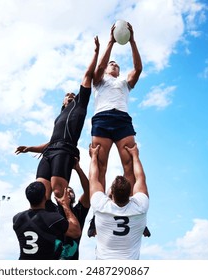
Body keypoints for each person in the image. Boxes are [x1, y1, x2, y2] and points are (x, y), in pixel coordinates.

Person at [15, 36, 100, 206]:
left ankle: (64, 223)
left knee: (58, 192)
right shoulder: (59, 117)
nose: (70, 95)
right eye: (66, 95)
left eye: (72, 94)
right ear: (62, 102)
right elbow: (52, 141)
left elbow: (87, 75)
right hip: (49, 152)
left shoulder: (80, 104)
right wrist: (29, 148)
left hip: (65, 150)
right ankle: (42, 225)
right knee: (41, 192)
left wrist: (96, 52)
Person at [91, 22, 142, 188]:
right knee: (100, 166)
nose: (114, 64)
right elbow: (99, 66)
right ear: (106, 69)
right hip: (102, 119)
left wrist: (132, 41)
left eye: (116, 64)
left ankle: (131, 208)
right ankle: (99, 210)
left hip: (122, 120)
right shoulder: (99, 80)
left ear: (119, 71)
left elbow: (138, 68)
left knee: (129, 165)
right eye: (110, 63)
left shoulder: (124, 81)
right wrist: (111, 41)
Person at [89, 143, 149, 259]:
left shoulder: (101, 206)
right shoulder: (140, 207)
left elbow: (93, 178)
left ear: (111, 194)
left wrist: (94, 156)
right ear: (131, 194)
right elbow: (140, 178)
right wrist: (135, 155)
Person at [12, 181, 81, 260]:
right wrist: (65, 205)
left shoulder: (16, 218)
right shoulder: (53, 218)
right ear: (45, 197)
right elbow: (76, 232)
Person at [57, 159, 90, 259]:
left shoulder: (78, 211)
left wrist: (78, 169)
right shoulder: (52, 211)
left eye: (71, 191)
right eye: (66, 191)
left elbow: (88, 191)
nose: (68, 192)